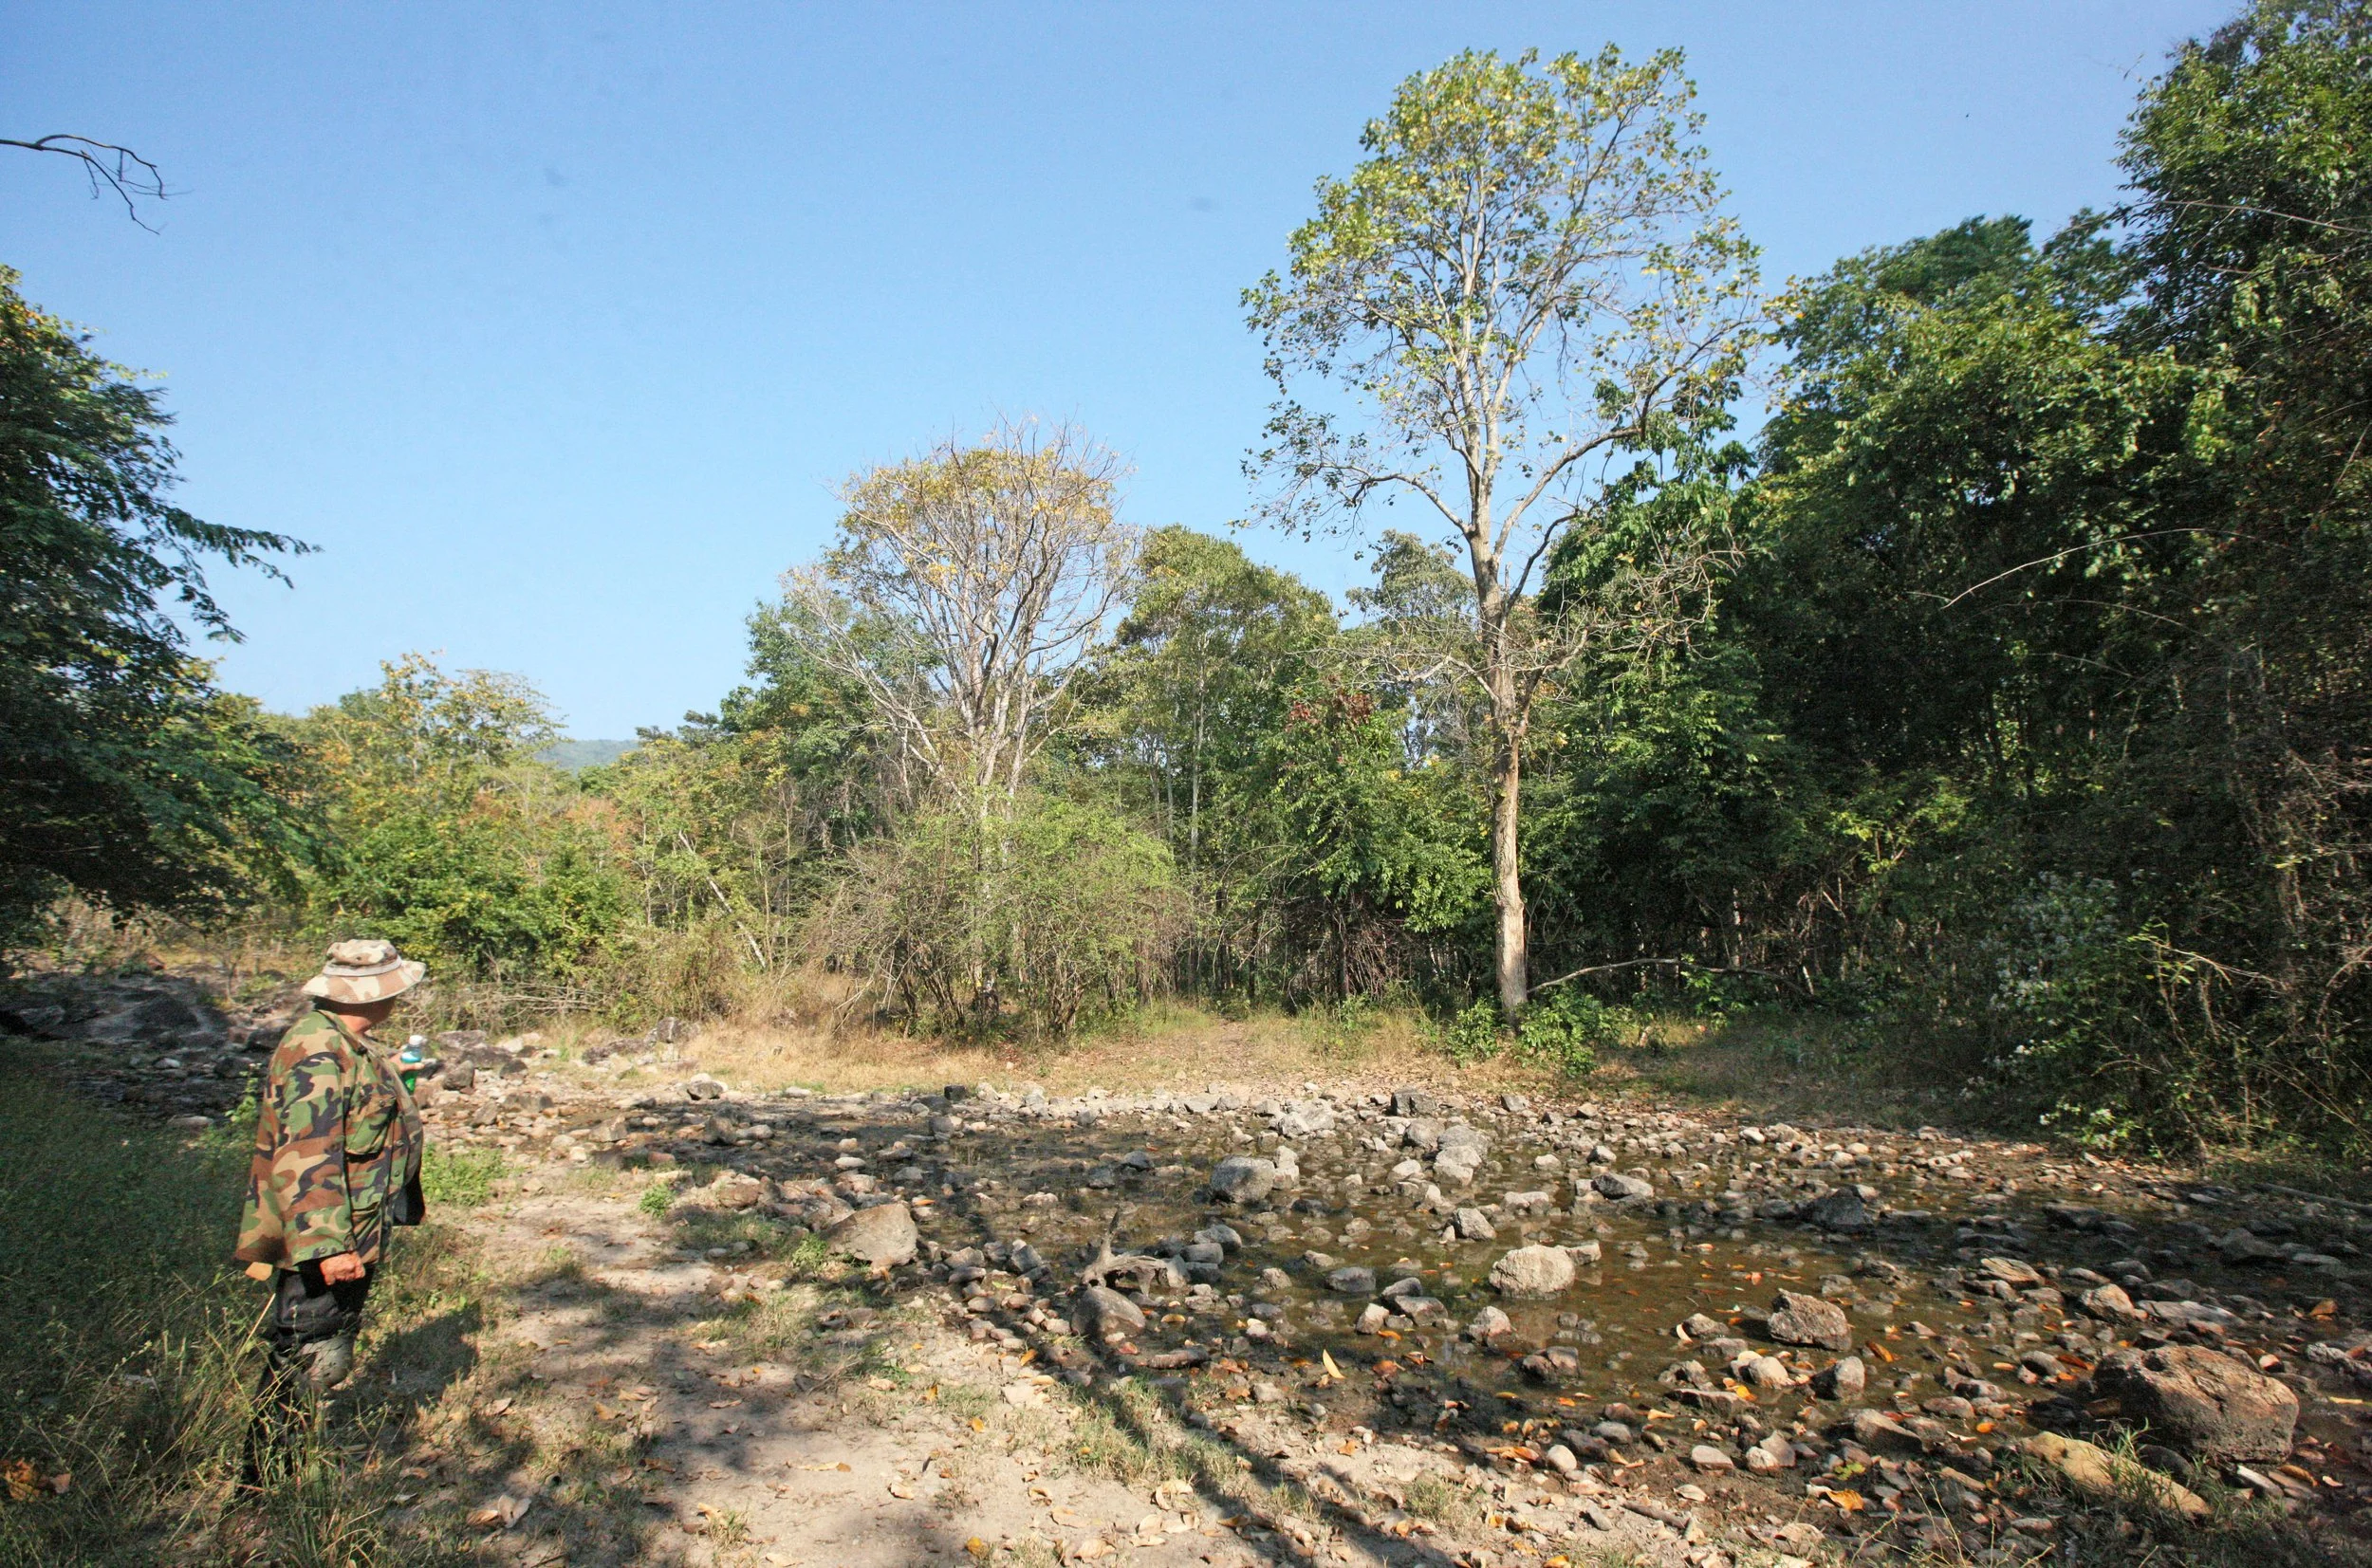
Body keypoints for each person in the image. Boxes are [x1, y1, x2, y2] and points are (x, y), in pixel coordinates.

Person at [235, 939, 429, 1482]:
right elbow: (306, 1156)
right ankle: (265, 1480)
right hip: (328, 1238)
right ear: (371, 994)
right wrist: (330, 1248)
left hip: (354, 1226)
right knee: (306, 1349)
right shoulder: (319, 1051)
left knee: (322, 1342)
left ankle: (289, 1462)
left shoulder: (348, 1044)